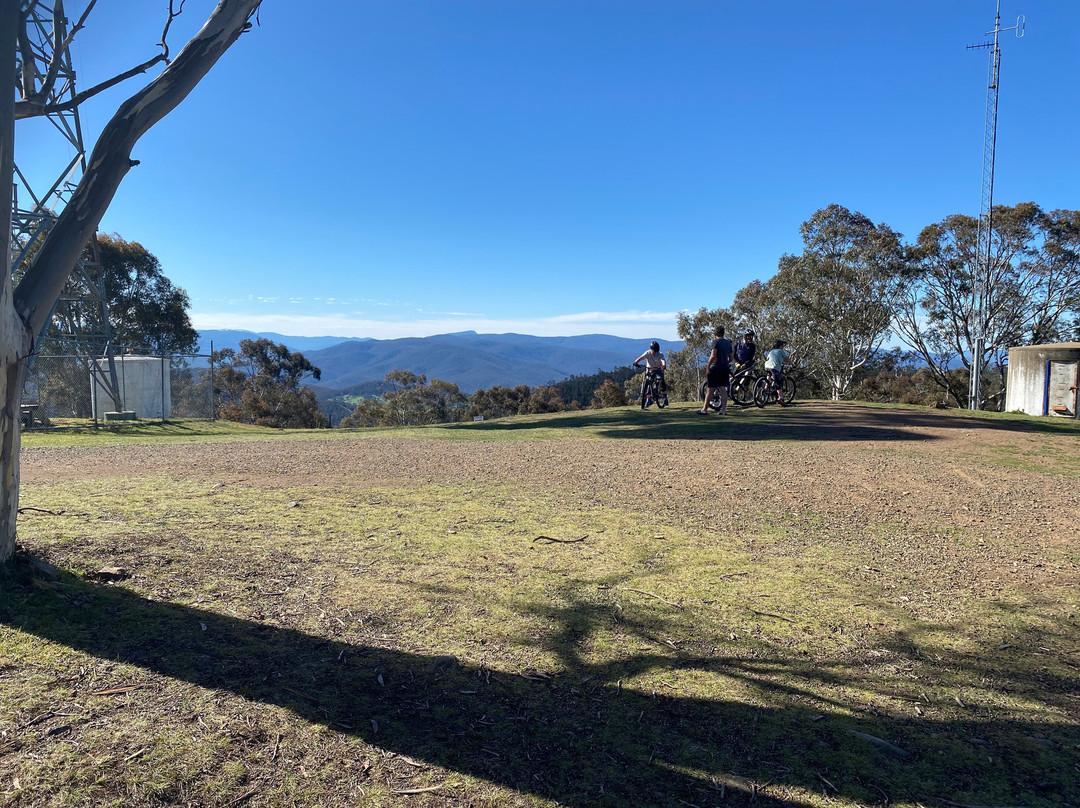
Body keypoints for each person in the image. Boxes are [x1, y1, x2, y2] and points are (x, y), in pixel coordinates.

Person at [698, 326, 733, 415]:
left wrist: (708, 366)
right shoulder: (728, 343)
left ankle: (705, 409)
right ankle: (723, 410)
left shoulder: (715, 342)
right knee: (723, 388)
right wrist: (726, 363)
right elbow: (731, 357)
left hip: (715, 367)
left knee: (710, 389)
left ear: (715, 334)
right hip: (725, 368)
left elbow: (713, 355)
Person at [633, 341, 668, 406]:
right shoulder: (647, 353)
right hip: (650, 369)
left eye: (656, 351)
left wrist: (663, 365)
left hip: (658, 369)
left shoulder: (660, 354)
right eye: (654, 351)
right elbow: (641, 358)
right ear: (651, 350)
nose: (655, 353)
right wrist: (636, 362)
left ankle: (665, 396)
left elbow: (663, 360)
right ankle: (648, 399)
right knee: (647, 382)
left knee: (662, 380)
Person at [764, 339, 791, 406]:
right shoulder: (781, 351)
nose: (783, 347)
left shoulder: (771, 351)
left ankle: (765, 388)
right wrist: (792, 364)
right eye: (782, 345)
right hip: (774, 367)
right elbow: (787, 359)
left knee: (769, 375)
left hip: (767, 366)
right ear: (779, 346)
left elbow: (767, 358)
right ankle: (780, 398)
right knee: (778, 381)